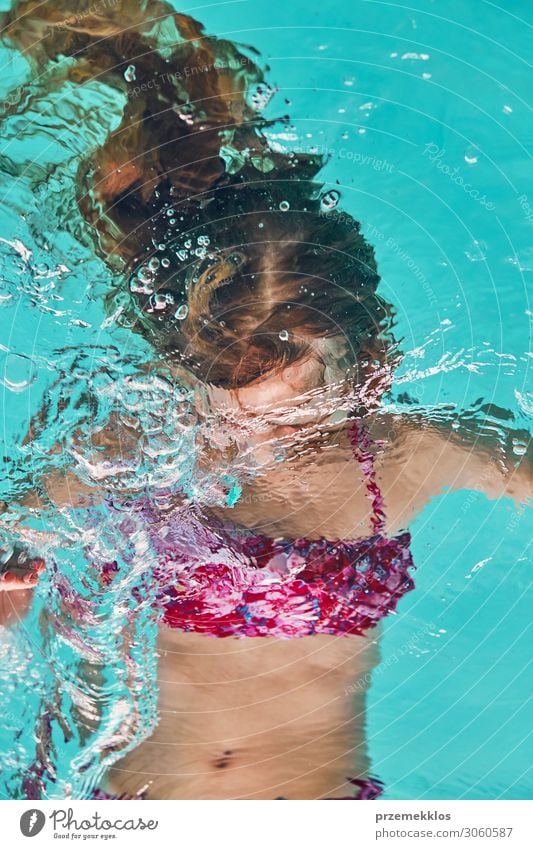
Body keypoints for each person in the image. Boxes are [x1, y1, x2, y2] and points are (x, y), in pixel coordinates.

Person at [0, 0, 530, 800]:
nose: (248, 431)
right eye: (223, 400)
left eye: (288, 408)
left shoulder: (405, 452)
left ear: (369, 362)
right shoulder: (130, 446)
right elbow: (14, 542)